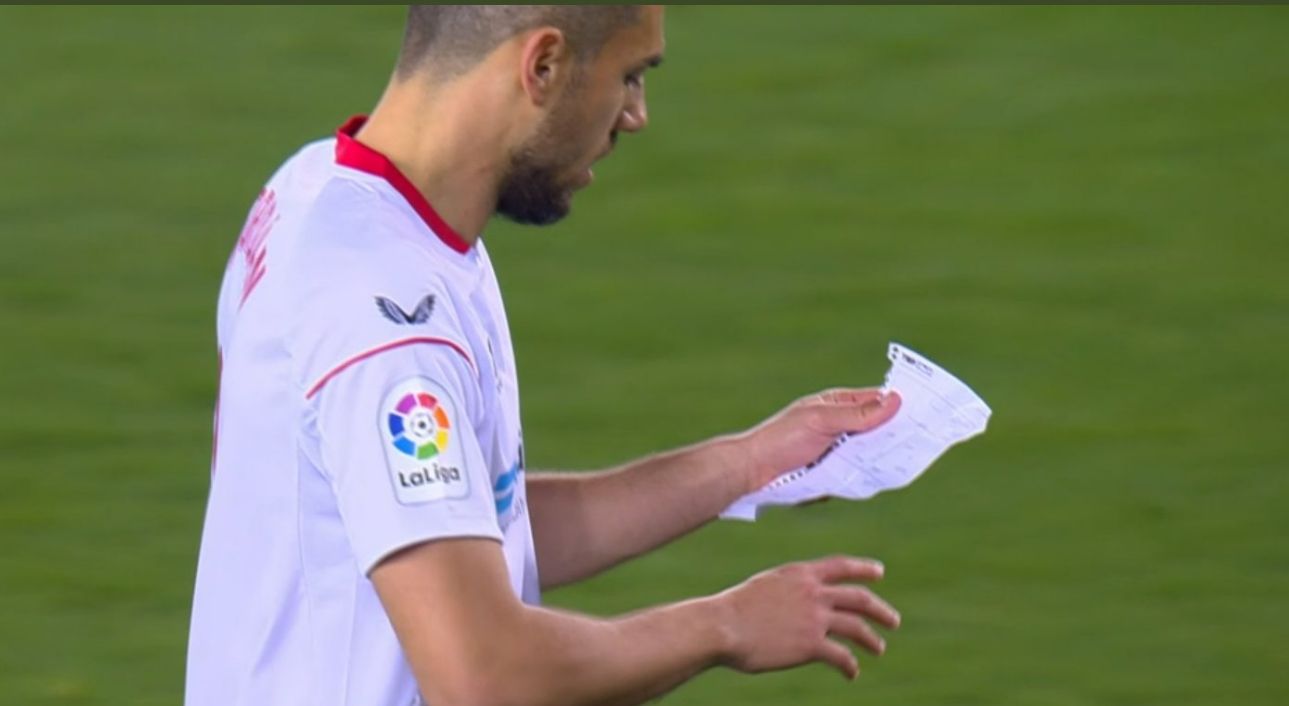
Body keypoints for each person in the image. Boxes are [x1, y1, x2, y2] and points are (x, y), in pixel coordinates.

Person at [186, 6, 904, 706]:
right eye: (629, 75)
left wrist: (750, 462)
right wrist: (724, 625)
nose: (636, 115)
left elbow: (465, 528)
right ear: (544, 64)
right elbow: (482, 676)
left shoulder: (322, 191)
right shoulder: (386, 315)